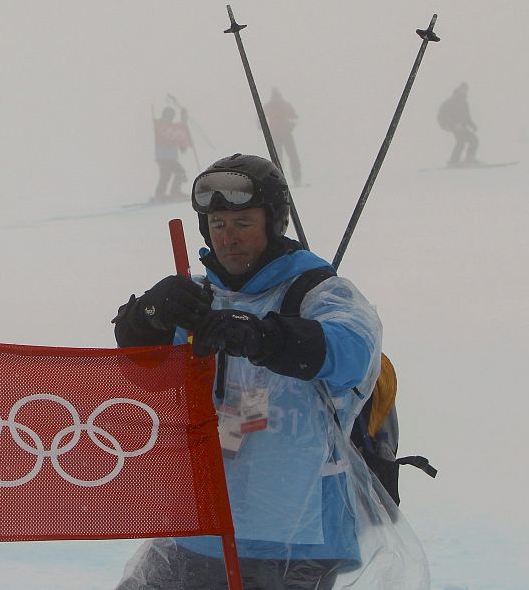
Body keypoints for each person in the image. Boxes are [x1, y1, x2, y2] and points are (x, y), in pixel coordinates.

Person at [112, 154, 428, 589]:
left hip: (296, 535)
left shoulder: (314, 290)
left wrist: (267, 338)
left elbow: (354, 352)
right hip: (199, 524)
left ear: (272, 223)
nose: (229, 238)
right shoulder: (199, 297)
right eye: (218, 224)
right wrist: (146, 315)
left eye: (243, 224)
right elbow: (139, 373)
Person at [152, 106, 191, 202]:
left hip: (167, 157)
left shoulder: (168, 127)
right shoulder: (162, 126)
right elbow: (173, 133)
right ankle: (175, 192)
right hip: (165, 157)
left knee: (166, 175)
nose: (171, 118)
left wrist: (183, 119)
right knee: (179, 172)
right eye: (170, 115)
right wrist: (183, 121)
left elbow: (177, 134)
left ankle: (160, 194)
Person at [264, 88, 302, 186]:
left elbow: (260, 121)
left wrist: (266, 129)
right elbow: (295, 117)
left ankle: (277, 182)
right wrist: (291, 125)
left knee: (277, 160)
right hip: (286, 134)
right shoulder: (285, 105)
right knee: (293, 157)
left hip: (275, 136)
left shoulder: (269, 106)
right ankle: (297, 180)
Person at [437, 82, 479, 166]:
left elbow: (467, 118)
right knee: (461, 141)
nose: (465, 91)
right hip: (453, 126)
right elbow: (444, 115)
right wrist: (453, 125)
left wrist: (473, 126)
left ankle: (469, 158)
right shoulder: (452, 101)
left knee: (474, 140)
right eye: (463, 89)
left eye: (466, 89)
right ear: (459, 89)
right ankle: (454, 161)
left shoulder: (464, 103)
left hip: (462, 126)